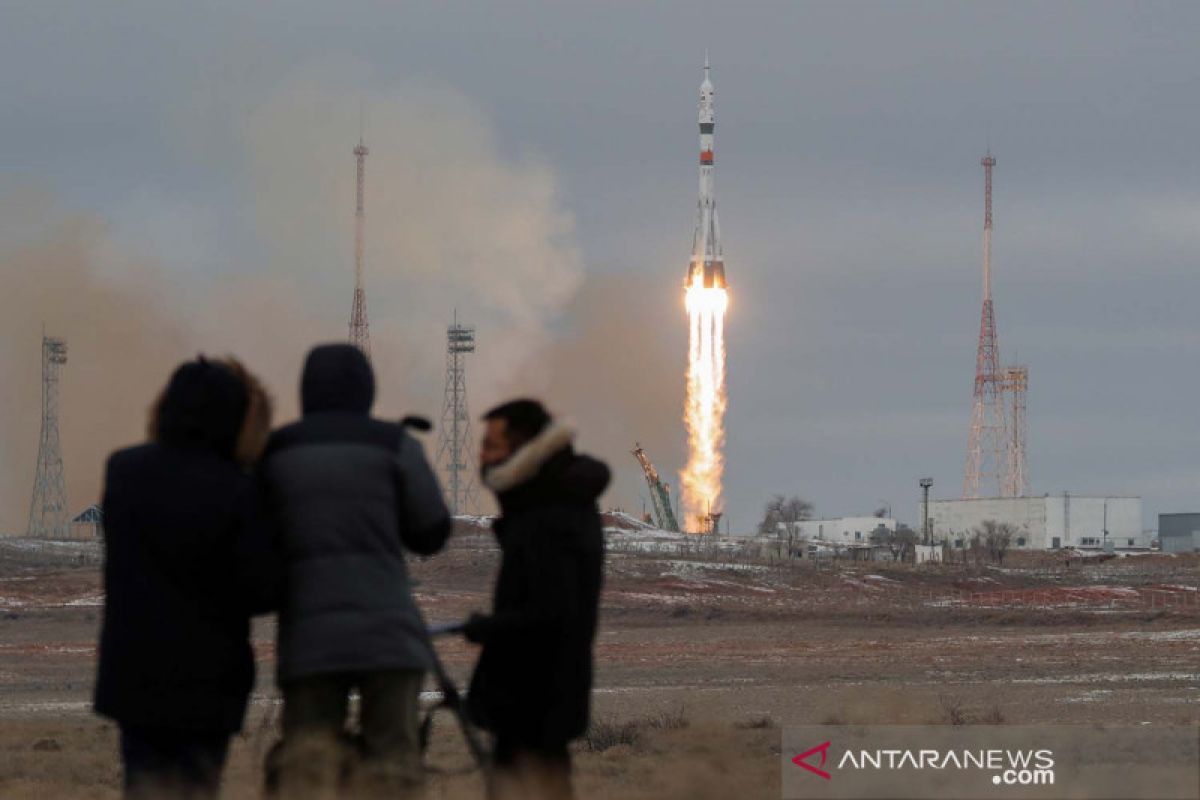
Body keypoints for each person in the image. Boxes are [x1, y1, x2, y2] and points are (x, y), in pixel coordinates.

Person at [262, 343, 451, 799]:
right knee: (394, 767)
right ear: (368, 390)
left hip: (310, 641)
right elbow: (431, 532)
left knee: (308, 767)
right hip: (389, 636)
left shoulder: (277, 451)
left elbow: (256, 544)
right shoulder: (395, 445)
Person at [94, 356, 278, 800]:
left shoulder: (123, 471)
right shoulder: (238, 488)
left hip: (134, 679)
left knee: (143, 786)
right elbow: (262, 589)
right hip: (207, 687)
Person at [464, 399, 609, 800]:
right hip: (541, 696)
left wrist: (488, 628)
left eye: (492, 445)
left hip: (536, 696)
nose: (482, 456)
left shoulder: (551, 514)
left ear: (523, 446)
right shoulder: (556, 502)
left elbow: (550, 613)